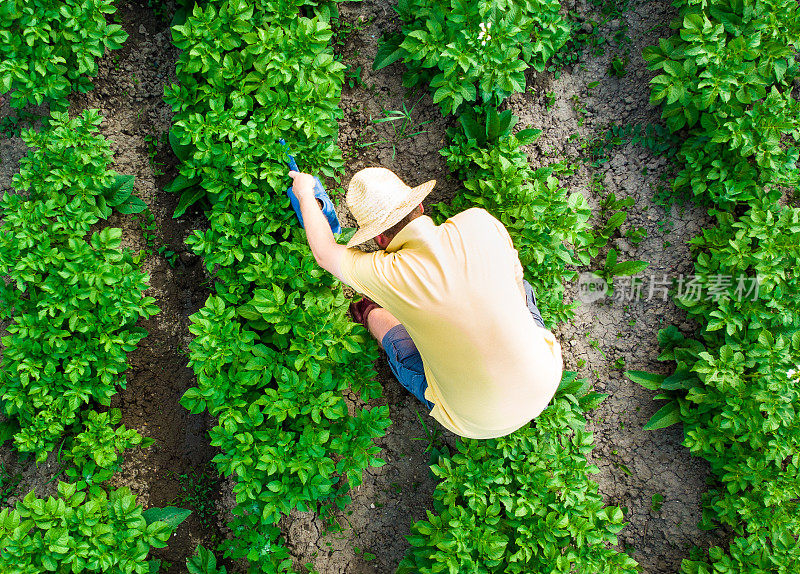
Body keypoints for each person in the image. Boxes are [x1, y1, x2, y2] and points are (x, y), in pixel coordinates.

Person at [288, 167, 563, 439]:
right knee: (517, 287)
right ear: (419, 205)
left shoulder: (385, 271)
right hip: (546, 376)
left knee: (381, 320)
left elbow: (324, 253)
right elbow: (516, 285)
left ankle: (367, 313)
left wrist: (303, 193)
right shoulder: (479, 221)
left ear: (379, 239)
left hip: (477, 420)